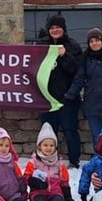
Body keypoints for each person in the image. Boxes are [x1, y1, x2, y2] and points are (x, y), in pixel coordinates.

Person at [35, 14, 84, 169]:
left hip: (67, 99)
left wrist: (63, 56)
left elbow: (76, 69)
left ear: (64, 29)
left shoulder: (73, 46)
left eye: (58, 27)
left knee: (70, 131)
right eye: (52, 28)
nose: (55, 30)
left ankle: (74, 161)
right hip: (46, 99)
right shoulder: (40, 46)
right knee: (48, 132)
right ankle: (48, 161)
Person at [23, 122, 76, 201]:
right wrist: (34, 182)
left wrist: (67, 195)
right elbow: (26, 177)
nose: (48, 148)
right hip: (38, 192)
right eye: (45, 145)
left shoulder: (59, 163)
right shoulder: (33, 162)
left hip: (55, 190)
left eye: (51, 145)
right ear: (39, 146)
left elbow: (64, 180)